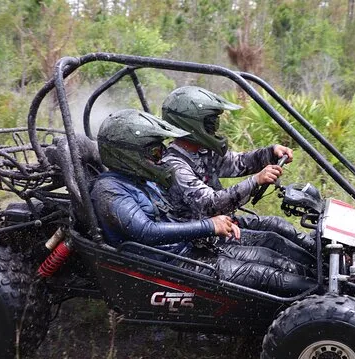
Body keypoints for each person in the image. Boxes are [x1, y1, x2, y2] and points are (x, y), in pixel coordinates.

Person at [90, 109, 315, 296]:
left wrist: (210, 227)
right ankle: (320, 300)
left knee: (271, 258)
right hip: (169, 266)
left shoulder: (140, 178)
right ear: (127, 155)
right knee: (266, 275)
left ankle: (319, 280)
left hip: (189, 247)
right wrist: (209, 225)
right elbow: (146, 232)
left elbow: (177, 212)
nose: (161, 158)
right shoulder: (110, 189)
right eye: (156, 152)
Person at [160, 86, 316, 264]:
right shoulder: (175, 165)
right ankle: (314, 275)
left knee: (277, 224)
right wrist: (255, 181)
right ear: (192, 125)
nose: (215, 127)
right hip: (202, 238)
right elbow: (211, 204)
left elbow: (238, 162)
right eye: (211, 122)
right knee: (272, 245)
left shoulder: (201, 151)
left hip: (222, 224)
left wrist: (270, 153)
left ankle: (323, 259)